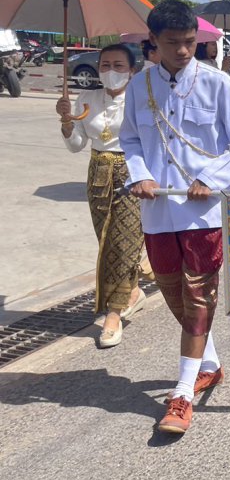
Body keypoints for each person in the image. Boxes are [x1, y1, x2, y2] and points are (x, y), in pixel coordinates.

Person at [120, 0, 230, 435]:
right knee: (174, 296)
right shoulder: (139, 86)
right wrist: (140, 176)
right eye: (172, 43)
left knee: (199, 296)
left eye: (189, 42)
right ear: (153, 41)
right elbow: (130, 140)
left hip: (202, 213)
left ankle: (182, 394)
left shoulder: (217, 84)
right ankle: (209, 364)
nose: (183, 51)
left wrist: (212, 178)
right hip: (157, 210)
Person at [56, 44, 146, 348]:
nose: (111, 71)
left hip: (132, 174)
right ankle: (133, 290)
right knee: (107, 241)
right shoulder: (87, 98)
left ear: (132, 70)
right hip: (98, 173)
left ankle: (113, 313)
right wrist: (67, 122)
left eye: (119, 65)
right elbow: (76, 145)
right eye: (105, 65)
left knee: (124, 242)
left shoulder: (142, 100)